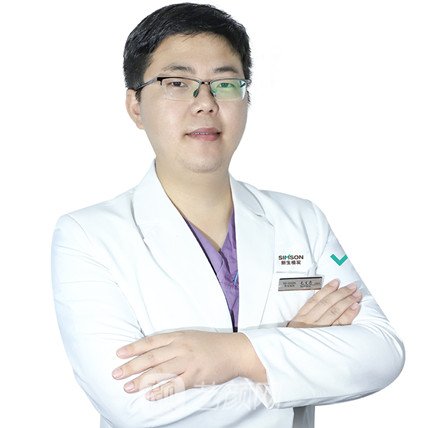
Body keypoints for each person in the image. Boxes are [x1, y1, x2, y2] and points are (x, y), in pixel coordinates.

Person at [51, 3, 405, 427]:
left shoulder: (301, 220)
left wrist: (234, 355)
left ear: (246, 98)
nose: (205, 103)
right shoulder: (86, 236)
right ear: (136, 105)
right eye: (177, 83)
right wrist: (292, 351)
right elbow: (137, 405)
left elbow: (381, 352)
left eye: (224, 83)